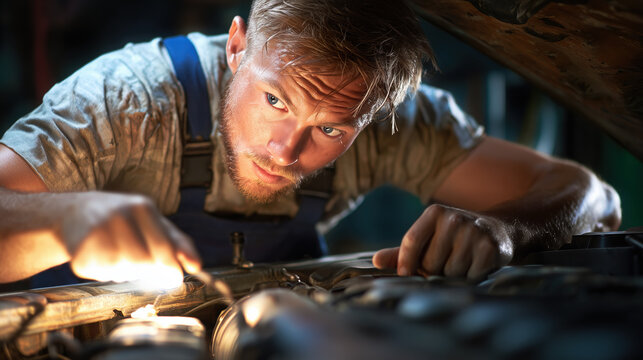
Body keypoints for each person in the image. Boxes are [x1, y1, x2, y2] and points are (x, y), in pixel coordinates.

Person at [0, 0, 620, 287]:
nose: (287, 151)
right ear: (238, 47)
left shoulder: (388, 120)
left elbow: (591, 195)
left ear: (377, 114)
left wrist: (508, 230)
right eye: (275, 101)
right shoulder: (126, 98)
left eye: (330, 130)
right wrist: (68, 221)